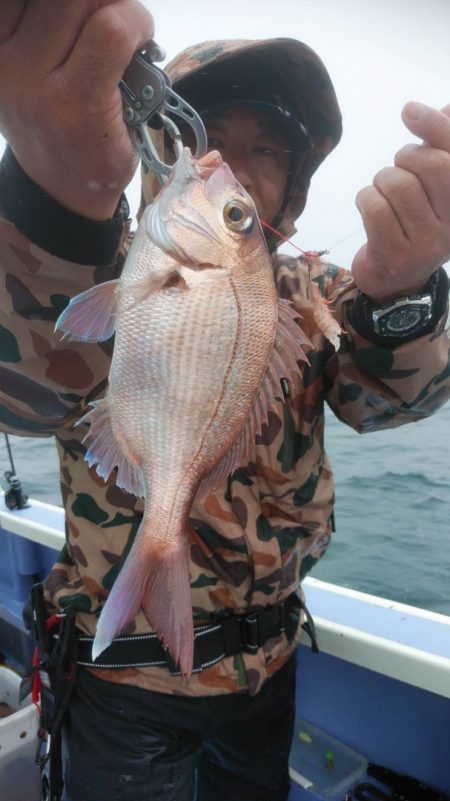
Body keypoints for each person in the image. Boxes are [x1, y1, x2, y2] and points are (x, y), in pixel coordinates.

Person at [1, 3, 450, 801]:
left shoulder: (315, 296)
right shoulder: (90, 263)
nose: (229, 165)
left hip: (268, 674)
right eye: (201, 134)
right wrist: (55, 195)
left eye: (266, 149)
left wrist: (403, 297)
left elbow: (387, 402)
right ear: (151, 146)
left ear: (296, 184)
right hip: (121, 689)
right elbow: (26, 395)